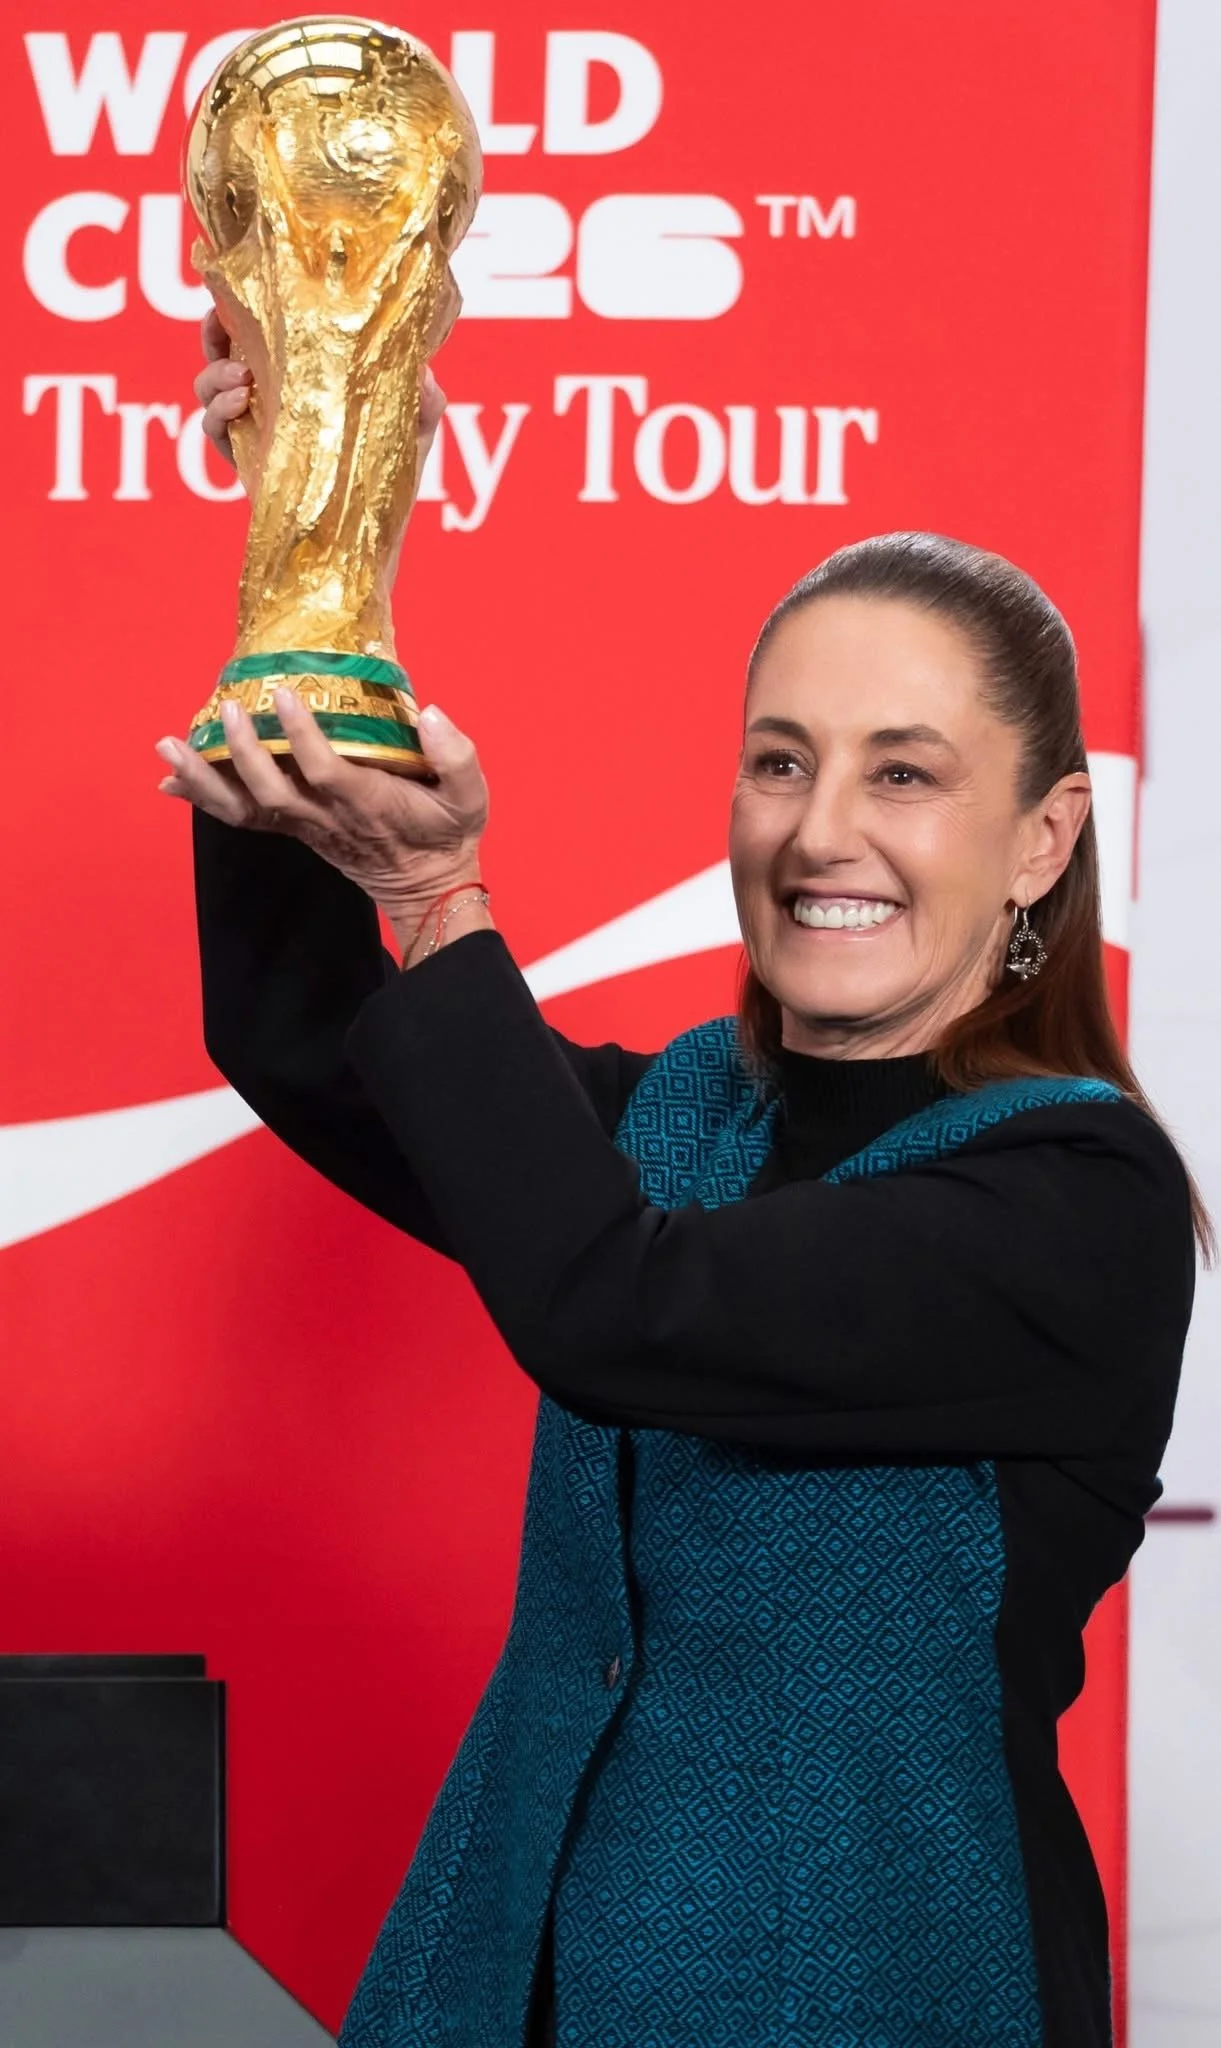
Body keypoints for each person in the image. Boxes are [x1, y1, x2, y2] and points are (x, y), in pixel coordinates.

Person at [157, 313, 1203, 2048]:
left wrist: (439, 904)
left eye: (905, 774)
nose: (819, 830)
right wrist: (318, 556)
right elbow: (303, 1034)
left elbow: (618, 1307)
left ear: (1045, 837)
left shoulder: (1076, 1201)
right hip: (502, 1989)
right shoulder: (682, 1119)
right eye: (782, 761)